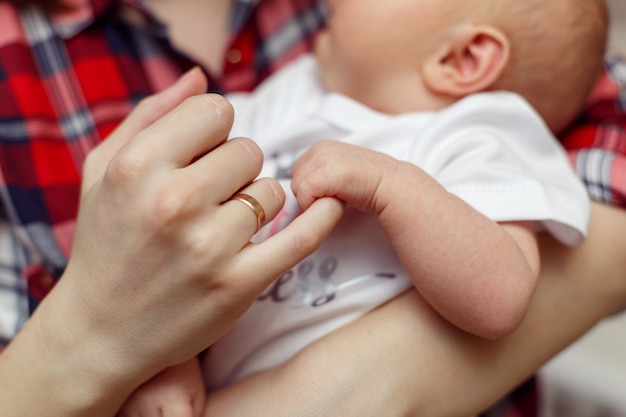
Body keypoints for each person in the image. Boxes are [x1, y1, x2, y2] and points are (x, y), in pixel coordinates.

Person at [0, 1, 624, 416]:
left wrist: (392, 187)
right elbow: (171, 262)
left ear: (462, 60)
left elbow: (501, 299)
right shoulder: (287, 96)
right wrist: (173, 363)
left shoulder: (483, 134)